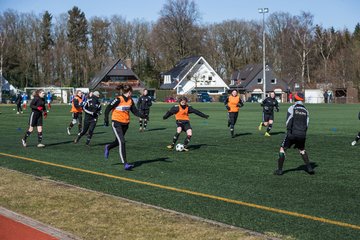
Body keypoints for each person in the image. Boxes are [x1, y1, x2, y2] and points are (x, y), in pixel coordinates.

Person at [103, 84, 144, 170]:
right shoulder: (118, 99)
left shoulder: (130, 100)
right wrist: (106, 119)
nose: (131, 93)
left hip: (125, 124)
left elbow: (135, 111)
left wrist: (143, 116)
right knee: (122, 142)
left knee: (118, 142)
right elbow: (107, 109)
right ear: (129, 92)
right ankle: (125, 163)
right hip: (116, 123)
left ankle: (108, 147)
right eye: (131, 92)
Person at [274, 92, 314, 175]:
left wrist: (289, 131)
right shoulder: (306, 110)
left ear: (295, 99)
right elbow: (307, 124)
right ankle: (309, 168)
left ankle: (280, 170)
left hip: (292, 133)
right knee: (302, 150)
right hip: (302, 134)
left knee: (282, 149)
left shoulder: (292, 108)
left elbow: (288, 121)